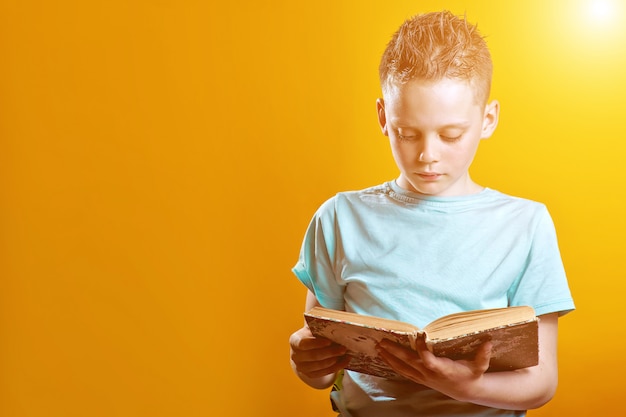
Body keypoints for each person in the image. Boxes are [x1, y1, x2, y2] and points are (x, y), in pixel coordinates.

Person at [288, 10, 574, 417]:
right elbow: (322, 363)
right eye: (408, 133)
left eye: (451, 135)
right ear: (384, 118)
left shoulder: (526, 225)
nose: (427, 155)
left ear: (488, 119)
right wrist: (308, 363)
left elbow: (542, 383)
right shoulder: (339, 218)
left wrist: (467, 385)